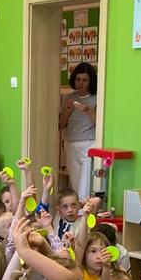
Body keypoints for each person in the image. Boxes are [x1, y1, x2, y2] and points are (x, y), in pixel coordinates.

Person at [59, 62, 98, 200]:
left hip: (88, 144)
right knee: (75, 186)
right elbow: (61, 125)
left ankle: (84, 210)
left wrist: (87, 110)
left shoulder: (96, 97)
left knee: (84, 188)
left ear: (91, 81)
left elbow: (99, 123)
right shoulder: (69, 98)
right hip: (70, 144)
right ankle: (76, 211)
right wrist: (67, 111)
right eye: (78, 79)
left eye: (85, 80)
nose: (81, 83)